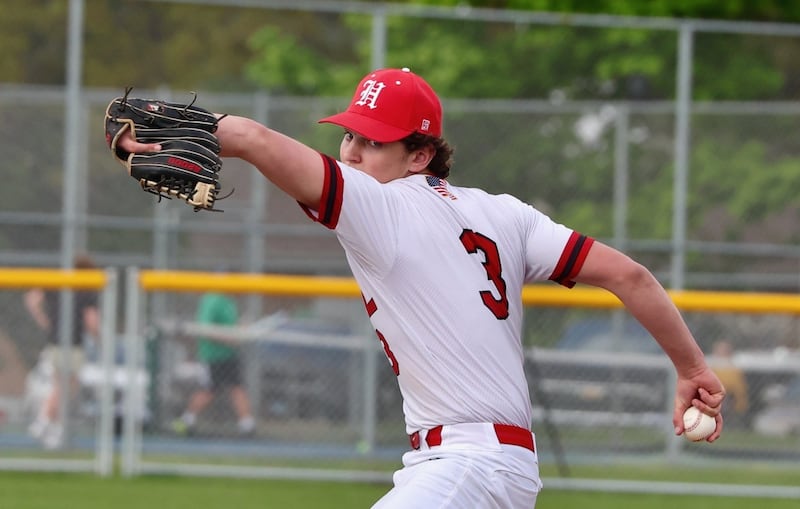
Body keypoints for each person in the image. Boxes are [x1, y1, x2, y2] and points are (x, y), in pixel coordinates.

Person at [118, 67, 726, 508]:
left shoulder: (379, 208)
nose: (352, 153)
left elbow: (254, 140)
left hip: (470, 466)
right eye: (348, 135)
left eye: (373, 141)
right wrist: (692, 366)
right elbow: (630, 276)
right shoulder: (506, 214)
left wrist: (153, 134)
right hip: (474, 467)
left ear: (419, 155)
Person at [24, 254, 100, 449]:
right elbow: (91, 320)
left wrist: (45, 322)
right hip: (72, 343)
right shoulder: (84, 290)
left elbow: (32, 300)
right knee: (65, 387)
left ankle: (54, 428)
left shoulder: (57, 283)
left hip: (55, 340)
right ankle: (43, 421)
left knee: (63, 386)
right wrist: (99, 338)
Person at [172, 292, 255, 437]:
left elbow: (231, 326)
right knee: (209, 390)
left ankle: (247, 425)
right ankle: (186, 420)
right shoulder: (211, 300)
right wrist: (229, 339)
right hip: (213, 356)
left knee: (237, 388)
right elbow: (206, 329)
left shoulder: (229, 300)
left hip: (230, 355)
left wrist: (241, 330)